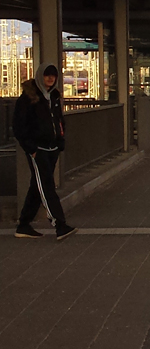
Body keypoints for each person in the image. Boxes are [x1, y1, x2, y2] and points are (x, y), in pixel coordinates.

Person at [12, 63, 77, 240]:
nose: (50, 78)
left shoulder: (54, 96)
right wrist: (31, 148)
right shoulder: (28, 98)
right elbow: (18, 126)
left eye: (53, 75)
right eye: (47, 75)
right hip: (37, 149)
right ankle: (59, 224)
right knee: (47, 186)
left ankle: (24, 224)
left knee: (37, 186)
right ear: (40, 76)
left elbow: (59, 121)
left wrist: (60, 141)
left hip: (52, 148)